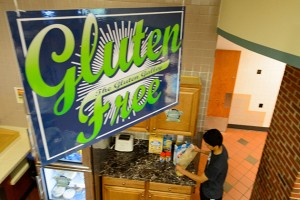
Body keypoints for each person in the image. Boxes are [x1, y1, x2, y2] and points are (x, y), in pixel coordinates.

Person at [176, 129, 228, 200]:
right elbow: (211, 153)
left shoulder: (216, 165)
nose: (206, 145)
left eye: (207, 145)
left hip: (211, 194)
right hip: (207, 185)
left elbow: (200, 179)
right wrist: (199, 150)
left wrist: (182, 170)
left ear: (215, 146)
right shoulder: (220, 147)